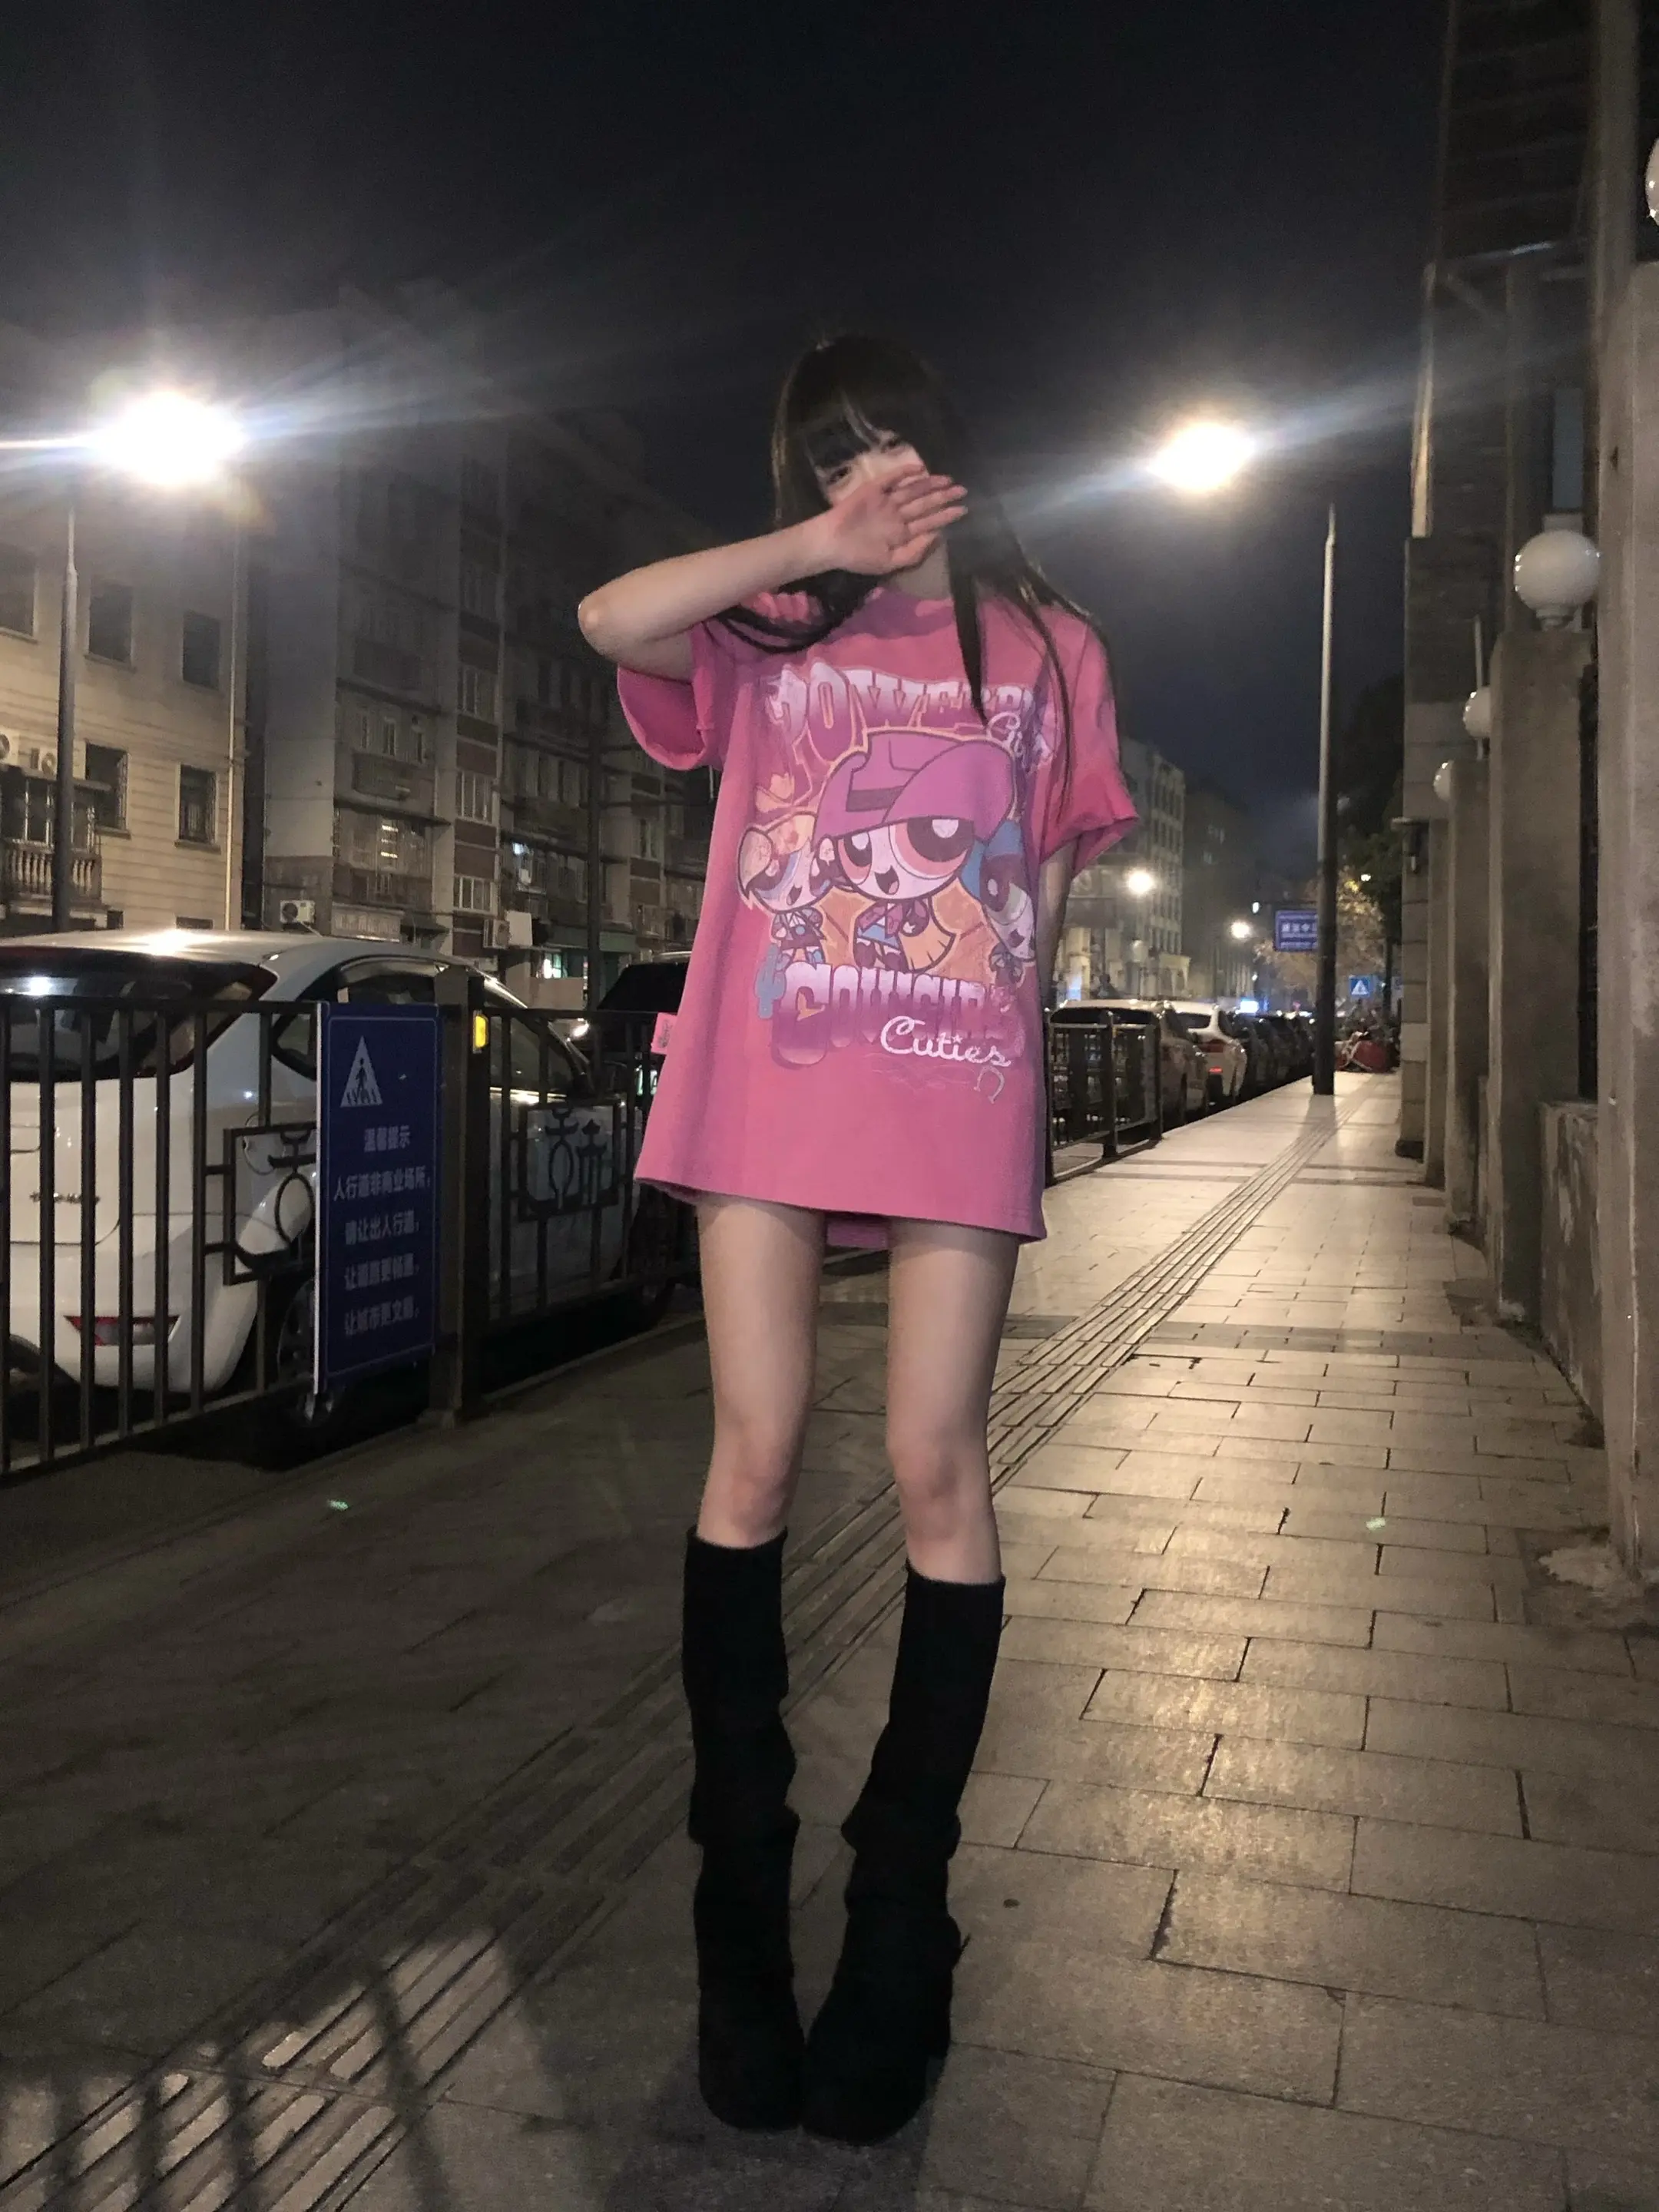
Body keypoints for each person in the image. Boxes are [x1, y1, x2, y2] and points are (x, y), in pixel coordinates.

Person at [578, 333, 1135, 2145]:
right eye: (830, 458)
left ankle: (902, 1925)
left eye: (889, 443)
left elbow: (1045, 889)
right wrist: (816, 548)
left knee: (934, 1466)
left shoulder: (1053, 643)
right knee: (751, 1455)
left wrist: (1011, 1061)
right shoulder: (764, 624)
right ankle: (738, 1931)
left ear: (955, 448)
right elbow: (608, 617)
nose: (867, 474)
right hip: (767, 1068)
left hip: (955, 1081)